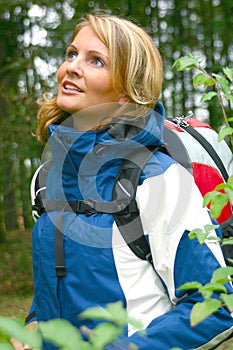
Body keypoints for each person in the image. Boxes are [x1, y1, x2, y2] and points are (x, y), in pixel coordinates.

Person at [12, 13, 233, 350]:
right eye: (72, 54)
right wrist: (35, 326)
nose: (72, 66)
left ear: (126, 95)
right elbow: (57, 284)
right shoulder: (45, 181)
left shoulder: (158, 180)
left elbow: (217, 308)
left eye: (96, 61)